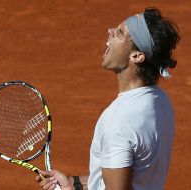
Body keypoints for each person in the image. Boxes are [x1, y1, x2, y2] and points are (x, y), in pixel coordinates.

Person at [36, 7, 180, 190]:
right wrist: (74, 184)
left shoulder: (119, 121)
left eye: (120, 33)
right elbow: (131, 174)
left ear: (137, 56)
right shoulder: (160, 101)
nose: (110, 31)